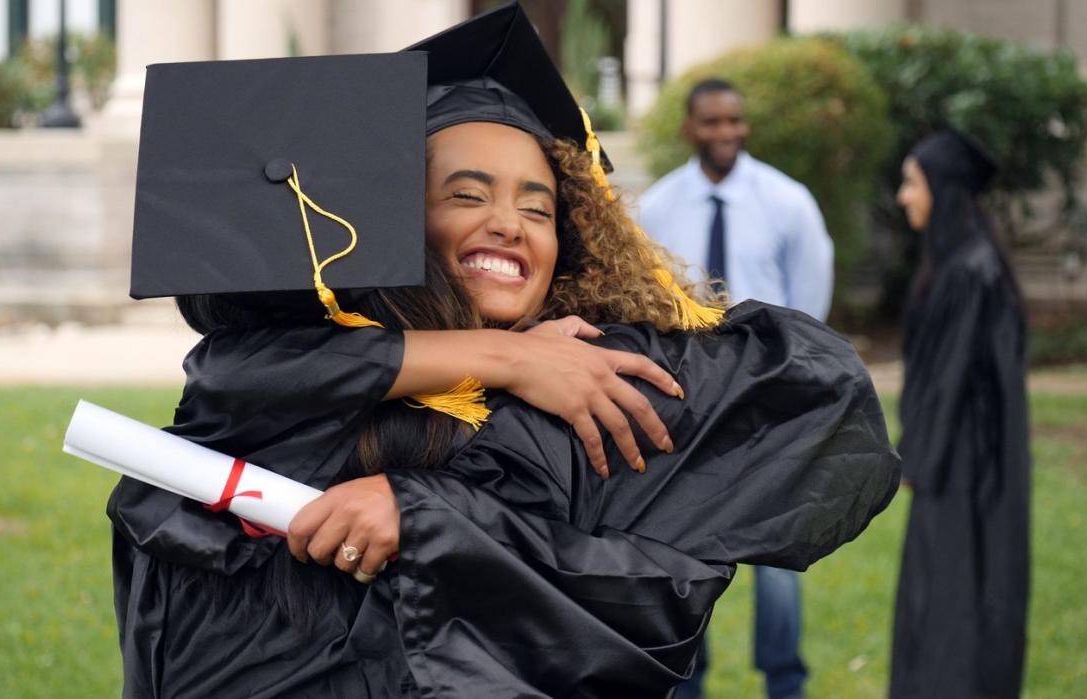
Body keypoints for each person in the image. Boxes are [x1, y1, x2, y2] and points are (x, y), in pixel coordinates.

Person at [108, 4, 899, 697]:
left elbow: (817, 404)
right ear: (394, 219)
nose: (509, 223)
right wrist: (504, 356)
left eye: (538, 206)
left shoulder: (594, 381)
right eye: (466, 193)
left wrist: (422, 511)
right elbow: (228, 376)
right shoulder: (311, 366)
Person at [639, 77, 834, 699]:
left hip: (768, 406)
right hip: (687, 408)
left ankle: (785, 683)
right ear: (690, 128)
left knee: (777, 563)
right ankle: (688, 683)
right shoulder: (658, 208)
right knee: (685, 555)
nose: (726, 133)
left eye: (734, 122)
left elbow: (811, 307)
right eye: (712, 122)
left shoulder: (788, 201)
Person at [889, 129, 1030, 699]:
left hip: (969, 472)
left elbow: (947, 383)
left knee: (954, 601)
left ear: (942, 190)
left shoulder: (969, 273)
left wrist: (917, 460)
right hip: (970, 465)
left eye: (912, 182)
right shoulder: (970, 263)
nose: (903, 197)